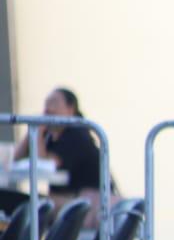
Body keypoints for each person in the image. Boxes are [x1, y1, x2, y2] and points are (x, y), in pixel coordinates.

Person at [13, 87, 112, 228]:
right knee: (27, 205)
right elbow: (16, 158)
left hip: (87, 202)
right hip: (68, 198)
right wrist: (31, 132)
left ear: (70, 109)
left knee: (30, 206)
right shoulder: (51, 135)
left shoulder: (76, 133)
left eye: (54, 103)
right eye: (46, 104)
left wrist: (38, 132)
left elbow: (43, 166)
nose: (48, 110)